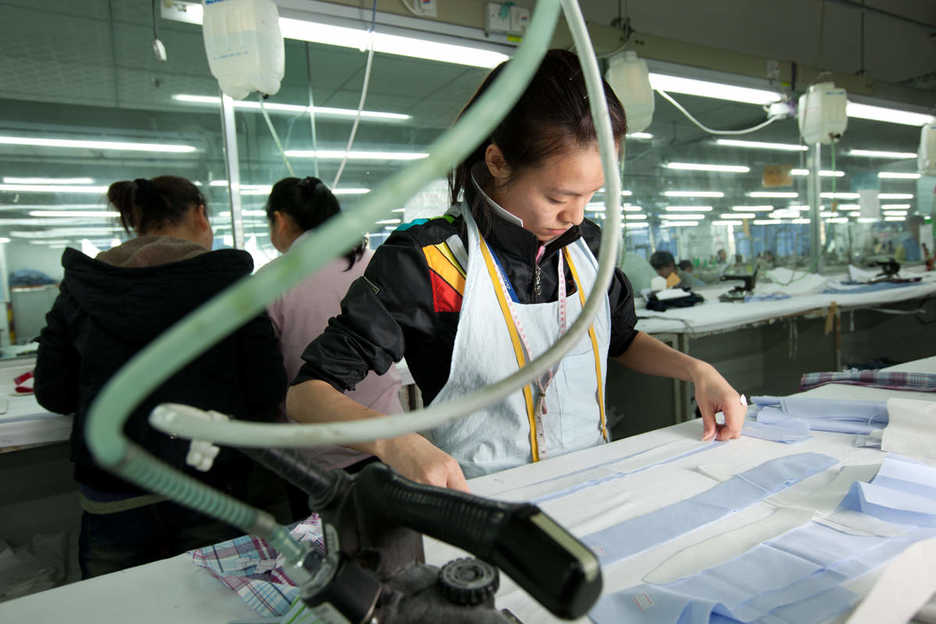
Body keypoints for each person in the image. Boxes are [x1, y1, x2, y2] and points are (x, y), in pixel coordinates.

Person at [285, 49, 744, 491]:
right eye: (559, 198)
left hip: (595, 484)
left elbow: (620, 338)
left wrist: (696, 369)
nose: (577, 217)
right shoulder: (430, 261)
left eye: (591, 196)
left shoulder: (587, 248)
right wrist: (394, 441)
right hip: (482, 504)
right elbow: (306, 396)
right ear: (497, 161)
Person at [34, 176, 287, 578]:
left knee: (119, 611)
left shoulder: (83, 287)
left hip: (114, 487)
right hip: (209, 486)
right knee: (217, 607)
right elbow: (267, 388)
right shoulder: (228, 284)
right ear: (201, 214)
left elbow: (53, 393)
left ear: (137, 218)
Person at [265, 175, 404, 477]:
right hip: (392, 440)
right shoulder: (374, 262)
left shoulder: (271, 282)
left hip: (317, 456)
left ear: (280, 219)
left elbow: (266, 374)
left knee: (321, 526)